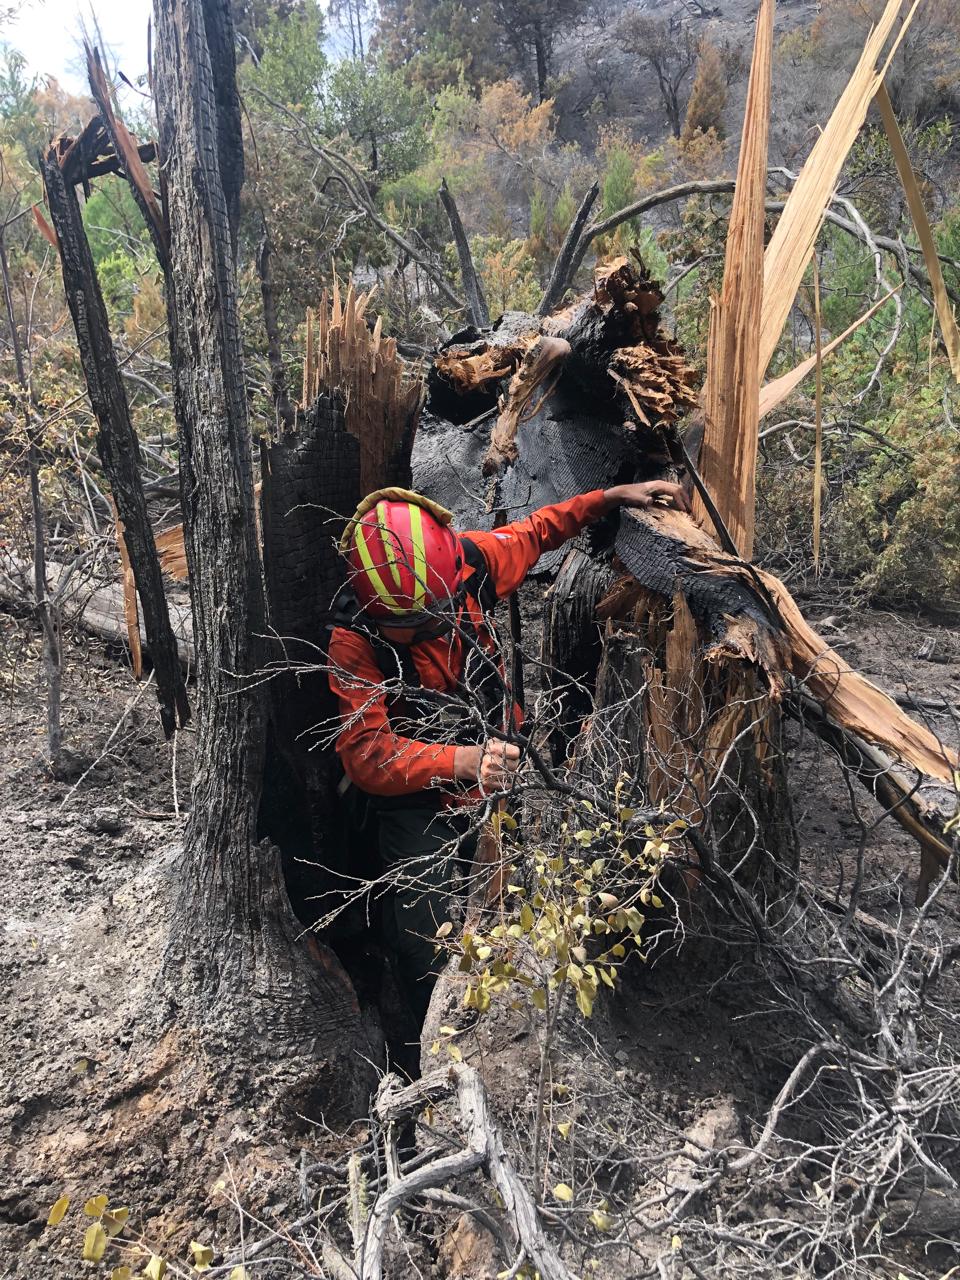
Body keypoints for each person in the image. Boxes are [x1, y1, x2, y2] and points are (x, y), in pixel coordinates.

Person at [328, 480, 690, 1019]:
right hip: (415, 795)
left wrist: (612, 497)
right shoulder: (353, 639)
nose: (427, 629)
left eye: (435, 614)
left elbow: (538, 531)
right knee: (423, 932)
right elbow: (367, 754)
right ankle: (430, 1030)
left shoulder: (471, 563)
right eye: (408, 625)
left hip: (498, 773)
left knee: (507, 900)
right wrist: (462, 762)